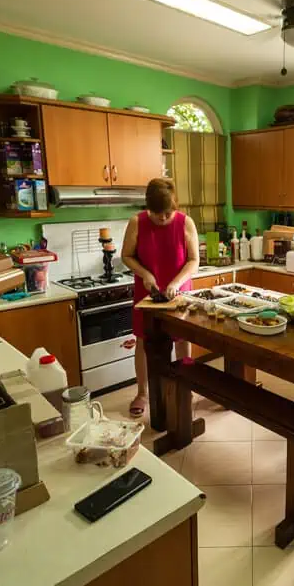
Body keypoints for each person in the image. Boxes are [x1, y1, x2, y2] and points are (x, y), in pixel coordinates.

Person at [121, 178, 200, 418]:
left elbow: (194, 260)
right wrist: (145, 274)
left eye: (167, 213)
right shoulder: (137, 222)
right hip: (148, 293)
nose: (163, 219)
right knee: (144, 341)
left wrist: (176, 282)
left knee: (181, 338)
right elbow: (127, 255)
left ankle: (184, 385)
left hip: (179, 291)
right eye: (157, 214)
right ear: (148, 208)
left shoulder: (186, 223)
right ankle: (142, 393)